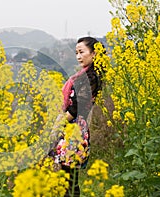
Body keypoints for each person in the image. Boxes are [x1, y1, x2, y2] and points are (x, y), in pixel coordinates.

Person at [49, 37, 104, 197]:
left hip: (75, 132)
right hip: (71, 130)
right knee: (68, 180)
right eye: (76, 53)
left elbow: (75, 109)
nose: (78, 56)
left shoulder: (90, 78)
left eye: (82, 52)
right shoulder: (84, 76)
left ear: (94, 54)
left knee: (70, 181)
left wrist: (57, 126)